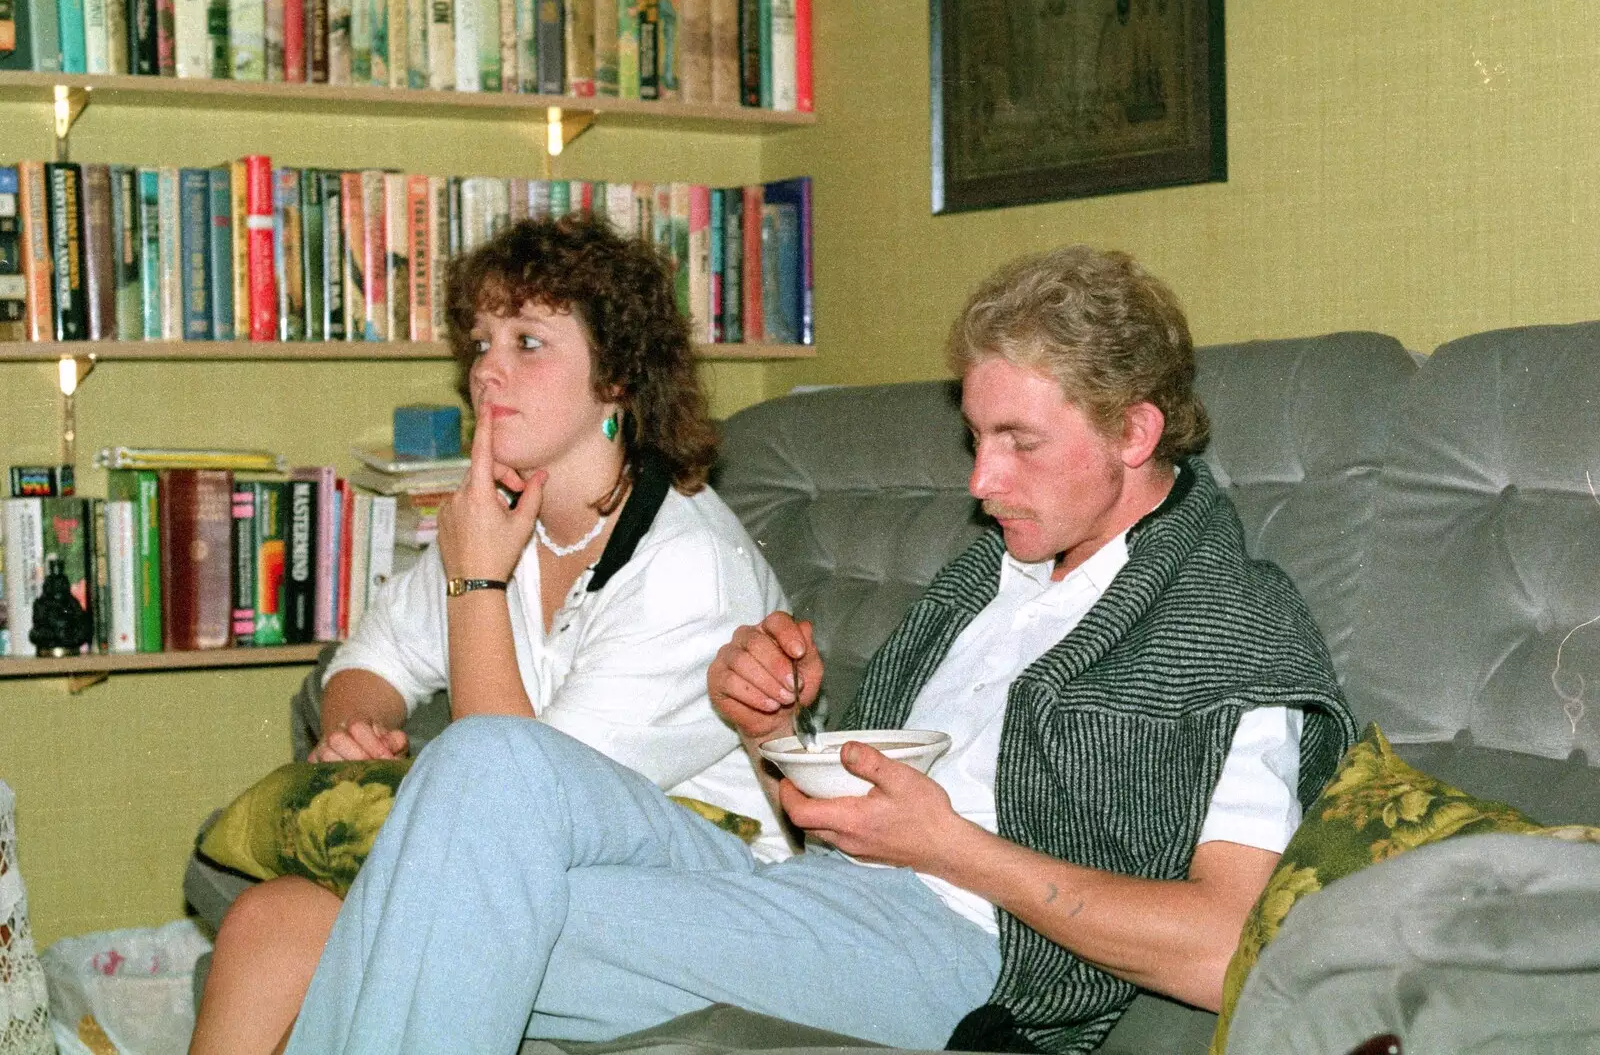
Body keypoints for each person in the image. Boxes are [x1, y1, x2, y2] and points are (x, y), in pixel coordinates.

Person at [279, 246, 1359, 1055]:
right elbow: (851, 802)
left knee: (429, 914)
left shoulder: (1229, 626)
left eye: (1019, 443)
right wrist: (774, 731)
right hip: (817, 890)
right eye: (976, 437)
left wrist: (947, 847)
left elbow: (1224, 948)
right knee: (481, 769)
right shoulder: (996, 571)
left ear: (1133, 433)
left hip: (956, 955)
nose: (980, 482)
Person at [188, 214, 787, 1055]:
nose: (486, 371)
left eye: (528, 342)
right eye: (480, 341)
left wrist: (476, 579)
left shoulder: (690, 568)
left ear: (616, 375)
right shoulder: (508, 511)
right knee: (268, 919)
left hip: (700, 892)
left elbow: (509, 801)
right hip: (537, 856)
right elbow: (371, 658)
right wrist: (351, 730)